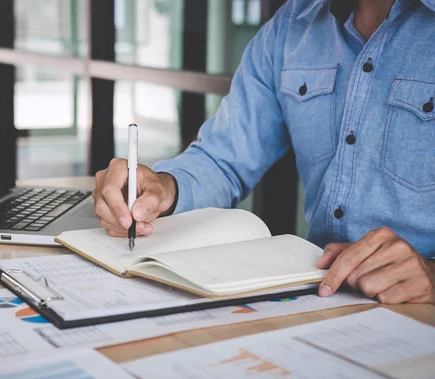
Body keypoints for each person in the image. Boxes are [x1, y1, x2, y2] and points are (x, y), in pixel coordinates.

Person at [92, 0, 435, 304]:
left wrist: (431, 277)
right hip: (317, 297)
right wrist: (163, 188)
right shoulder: (290, 28)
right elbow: (223, 159)